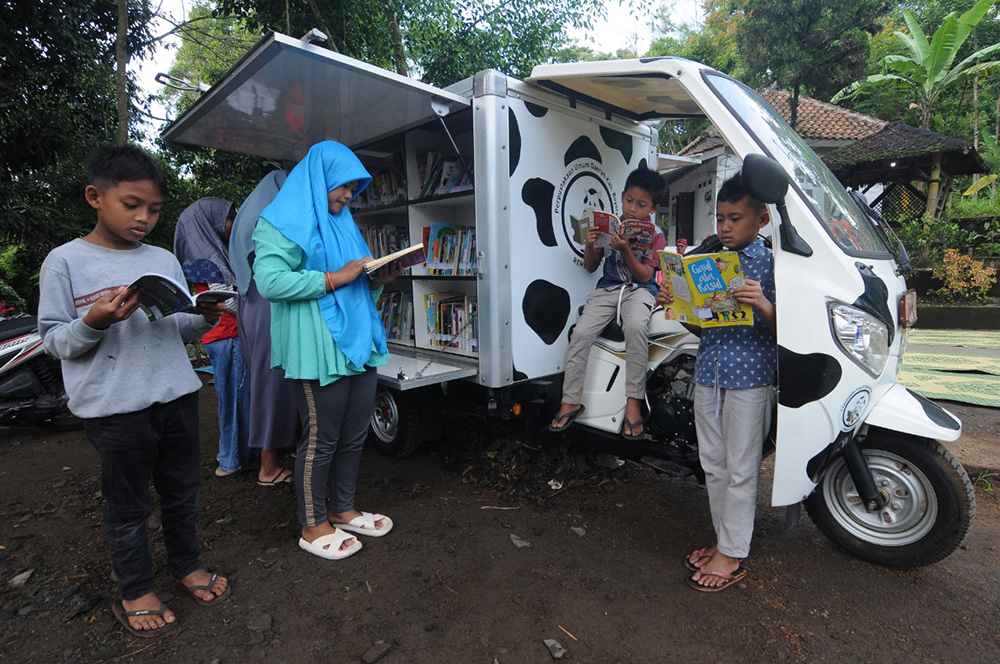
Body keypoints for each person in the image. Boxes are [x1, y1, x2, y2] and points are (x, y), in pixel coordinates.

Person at [37, 145, 231, 637]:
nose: (144, 217)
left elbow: (174, 328)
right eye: (131, 204)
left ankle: (186, 564)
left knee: (182, 492)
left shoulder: (162, 257)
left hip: (177, 395)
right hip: (114, 408)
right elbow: (55, 342)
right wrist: (93, 321)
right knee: (128, 505)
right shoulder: (65, 263)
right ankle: (136, 588)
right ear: (94, 197)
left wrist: (202, 316)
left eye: (154, 209)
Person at [252, 141, 399, 560]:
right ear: (320, 179)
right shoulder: (280, 221)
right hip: (314, 346)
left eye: (354, 189)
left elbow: (358, 273)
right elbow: (270, 282)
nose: (348, 196)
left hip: (356, 340)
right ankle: (313, 524)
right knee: (321, 438)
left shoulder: (343, 221)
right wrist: (332, 279)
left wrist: (378, 276)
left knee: (354, 435)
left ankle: (344, 508)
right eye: (343, 187)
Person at [657, 172, 777, 592]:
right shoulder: (707, 261)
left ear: (761, 220)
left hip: (752, 377)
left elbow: (794, 329)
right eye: (720, 218)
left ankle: (732, 552)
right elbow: (704, 327)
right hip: (709, 372)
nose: (724, 227)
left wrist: (761, 301)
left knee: (742, 467)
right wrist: (678, 306)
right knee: (713, 464)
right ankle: (726, 541)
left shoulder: (774, 263)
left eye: (735, 219)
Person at [549, 167, 666, 439]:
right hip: (608, 288)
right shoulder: (610, 224)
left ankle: (634, 403)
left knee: (636, 327)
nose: (632, 209)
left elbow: (646, 275)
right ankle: (571, 399)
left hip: (639, 290)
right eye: (629, 200)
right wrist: (590, 245)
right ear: (622, 196)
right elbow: (591, 267)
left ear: (654, 207)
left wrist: (626, 250)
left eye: (641, 205)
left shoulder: (656, 234)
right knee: (580, 333)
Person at [229, 170, 298, 486]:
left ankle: (282, 453)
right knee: (273, 382)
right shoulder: (270, 221)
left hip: (254, 301)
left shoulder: (252, 214)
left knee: (274, 381)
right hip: (270, 306)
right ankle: (268, 468)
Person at [173, 197, 251, 478]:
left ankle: (235, 454)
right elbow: (226, 302)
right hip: (227, 334)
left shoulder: (203, 253)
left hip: (221, 335)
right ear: (213, 223)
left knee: (235, 397)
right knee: (234, 399)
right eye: (230, 218)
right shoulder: (210, 258)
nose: (234, 223)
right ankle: (231, 459)